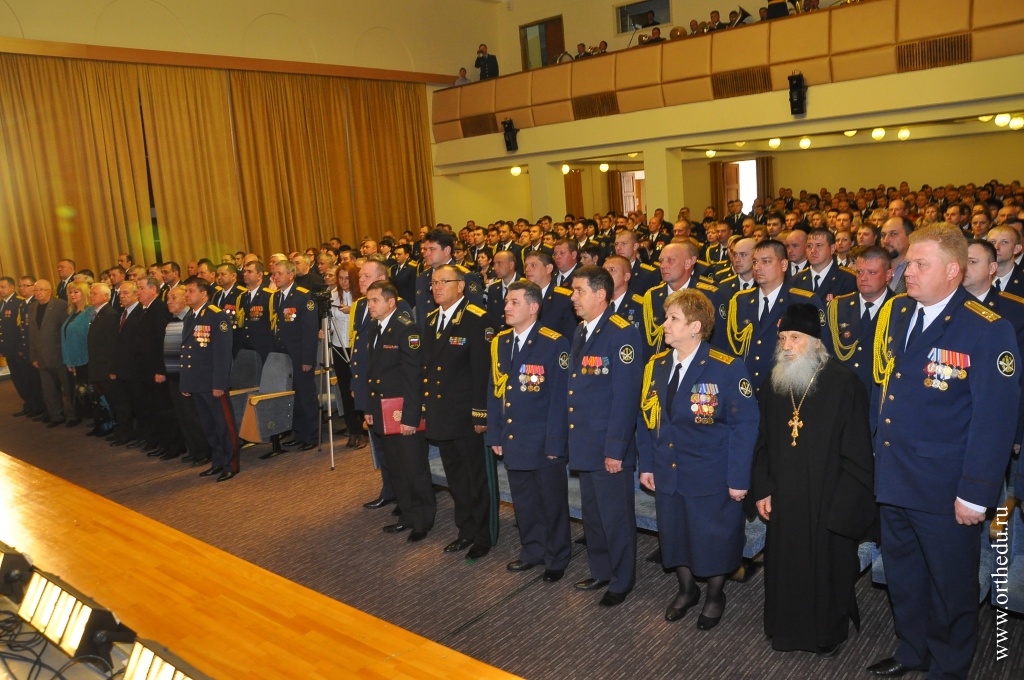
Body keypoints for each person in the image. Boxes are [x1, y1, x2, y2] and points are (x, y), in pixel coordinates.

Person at [869, 224, 1020, 679]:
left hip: (945, 486)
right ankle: (912, 649)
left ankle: (949, 667)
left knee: (950, 587)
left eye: (920, 264)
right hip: (895, 475)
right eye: (908, 263)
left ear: (953, 271)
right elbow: (889, 389)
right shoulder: (899, 312)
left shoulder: (986, 329)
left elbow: (995, 419)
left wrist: (976, 492)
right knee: (904, 576)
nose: (908, 272)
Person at [750, 303, 875, 658]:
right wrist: (763, 488)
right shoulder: (774, 382)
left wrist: (842, 507)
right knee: (784, 564)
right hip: (784, 497)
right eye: (782, 338)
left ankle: (826, 633)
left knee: (826, 568)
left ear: (816, 342)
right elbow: (761, 442)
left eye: (796, 338)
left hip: (827, 499)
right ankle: (784, 627)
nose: (787, 346)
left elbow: (858, 453)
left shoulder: (844, 383)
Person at [638, 290, 759, 629]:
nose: (664, 324)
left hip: (711, 474)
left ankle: (715, 595)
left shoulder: (726, 367)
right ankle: (687, 589)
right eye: (666, 317)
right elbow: (646, 418)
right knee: (674, 534)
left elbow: (745, 425)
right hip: (669, 470)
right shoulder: (656, 365)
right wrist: (647, 463)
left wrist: (739, 479)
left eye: (673, 318)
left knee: (714, 539)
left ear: (695, 326)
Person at [567, 266, 642, 606]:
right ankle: (601, 570)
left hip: (608, 444)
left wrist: (616, 449)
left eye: (579, 291)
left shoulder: (621, 333)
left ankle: (622, 580)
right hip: (584, 440)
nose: (573, 297)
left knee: (616, 517)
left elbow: (625, 397)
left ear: (601, 295)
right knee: (593, 515)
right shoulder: (581, 330)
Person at [487, 281, 572, 582]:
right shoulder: (501, 342)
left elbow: (560, 399)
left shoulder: (554, 343)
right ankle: (533, 549)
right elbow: (495, 390)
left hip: (543, 440)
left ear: (533, 307)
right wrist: (495, 434)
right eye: (506, 301)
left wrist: (555, 442)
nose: (506, 307)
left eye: (514, 302)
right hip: (514, 437)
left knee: (552, 503)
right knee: (523, 501)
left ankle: (557, 556)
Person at [423, 265, 497, 561]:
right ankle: (465, 529)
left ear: (461, 286)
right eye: (434, 283)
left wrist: (481, 414)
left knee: (476, 478)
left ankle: (483, 535)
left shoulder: (477, 319)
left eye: (444, 281)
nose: (437, 287)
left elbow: (483, 372)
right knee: (455, 477)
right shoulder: (431, 320)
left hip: (467, 415)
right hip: (443, 413)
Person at [363, 281, 435, 543]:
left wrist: (411, 417)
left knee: (414, 468)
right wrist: (370, 408)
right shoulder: (375, 327)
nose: (370, 305)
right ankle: (407, 515)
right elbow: (374, 373)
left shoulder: (407, 329)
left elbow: (414, 377)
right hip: (383, 410)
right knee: (396, 468)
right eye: (368, 301)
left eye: (375, 300)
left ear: (391, 302)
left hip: (403, 412)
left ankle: (423, 521)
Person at [180, 277, 238, 482]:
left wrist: (219, 383)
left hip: (213, 382)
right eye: (186, 291)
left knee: (223, 424)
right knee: (208, 425)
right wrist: (186, 382)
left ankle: (231, 464)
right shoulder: (190, 316)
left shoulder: (216, 316)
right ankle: (218, 461)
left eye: (190, 291)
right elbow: (187, 352)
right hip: (197, 381)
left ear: (203, 294)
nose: (186, 295)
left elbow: (222, 354)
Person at [826, 246, 894, 390]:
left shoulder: (899, 309)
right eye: (860, 272)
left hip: (878, 392)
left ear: (888, 274)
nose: (863, 278)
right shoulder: (838, 307)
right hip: (841, 391)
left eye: (872, 272)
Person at [270, 260, 319, 453]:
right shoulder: (276, 297)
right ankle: (299, 434)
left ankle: (312, 436)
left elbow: (310, 331)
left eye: (280, 273)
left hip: (300, 355)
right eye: (274, 274)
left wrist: (307, 359)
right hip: (284, 355)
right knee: (293, 397)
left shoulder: (303, 297)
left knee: (306, 396)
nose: (275, 277)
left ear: (291, 275)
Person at [326, 262, 364, 449]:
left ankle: (363, 430)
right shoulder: (333, 296)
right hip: (338, 346)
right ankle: (353, 429)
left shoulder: (362, 297)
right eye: (340, 278)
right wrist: (325, 330)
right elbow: (330, 321)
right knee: (344, 390)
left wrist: (353, 311)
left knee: (359, 389)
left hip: (356, 346)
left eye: (347, 278)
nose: (343, 282)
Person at [28, 279, 73, 428]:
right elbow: (32, 334)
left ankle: (73, 415)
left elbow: (66, 331)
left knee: (68, 388)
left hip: (59, 355)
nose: (38, 293)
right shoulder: (32, 307)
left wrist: (68, 355)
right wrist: (34, 356)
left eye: (41, 289)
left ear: (50, 291)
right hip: (42, 357)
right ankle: (56, 415)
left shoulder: (61, 305)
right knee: (49, 389)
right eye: (36, 290)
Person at [59, 281, 95, 427]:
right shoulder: (72, 312)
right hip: (74, 359)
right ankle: (85, 415)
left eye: (76, 292)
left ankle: (97, 418)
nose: (72, 295)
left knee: (89, 390)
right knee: (78, 390)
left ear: (84, 294)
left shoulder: (90, 311)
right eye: (70, 292)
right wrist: (69, 360)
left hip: (86, 358)